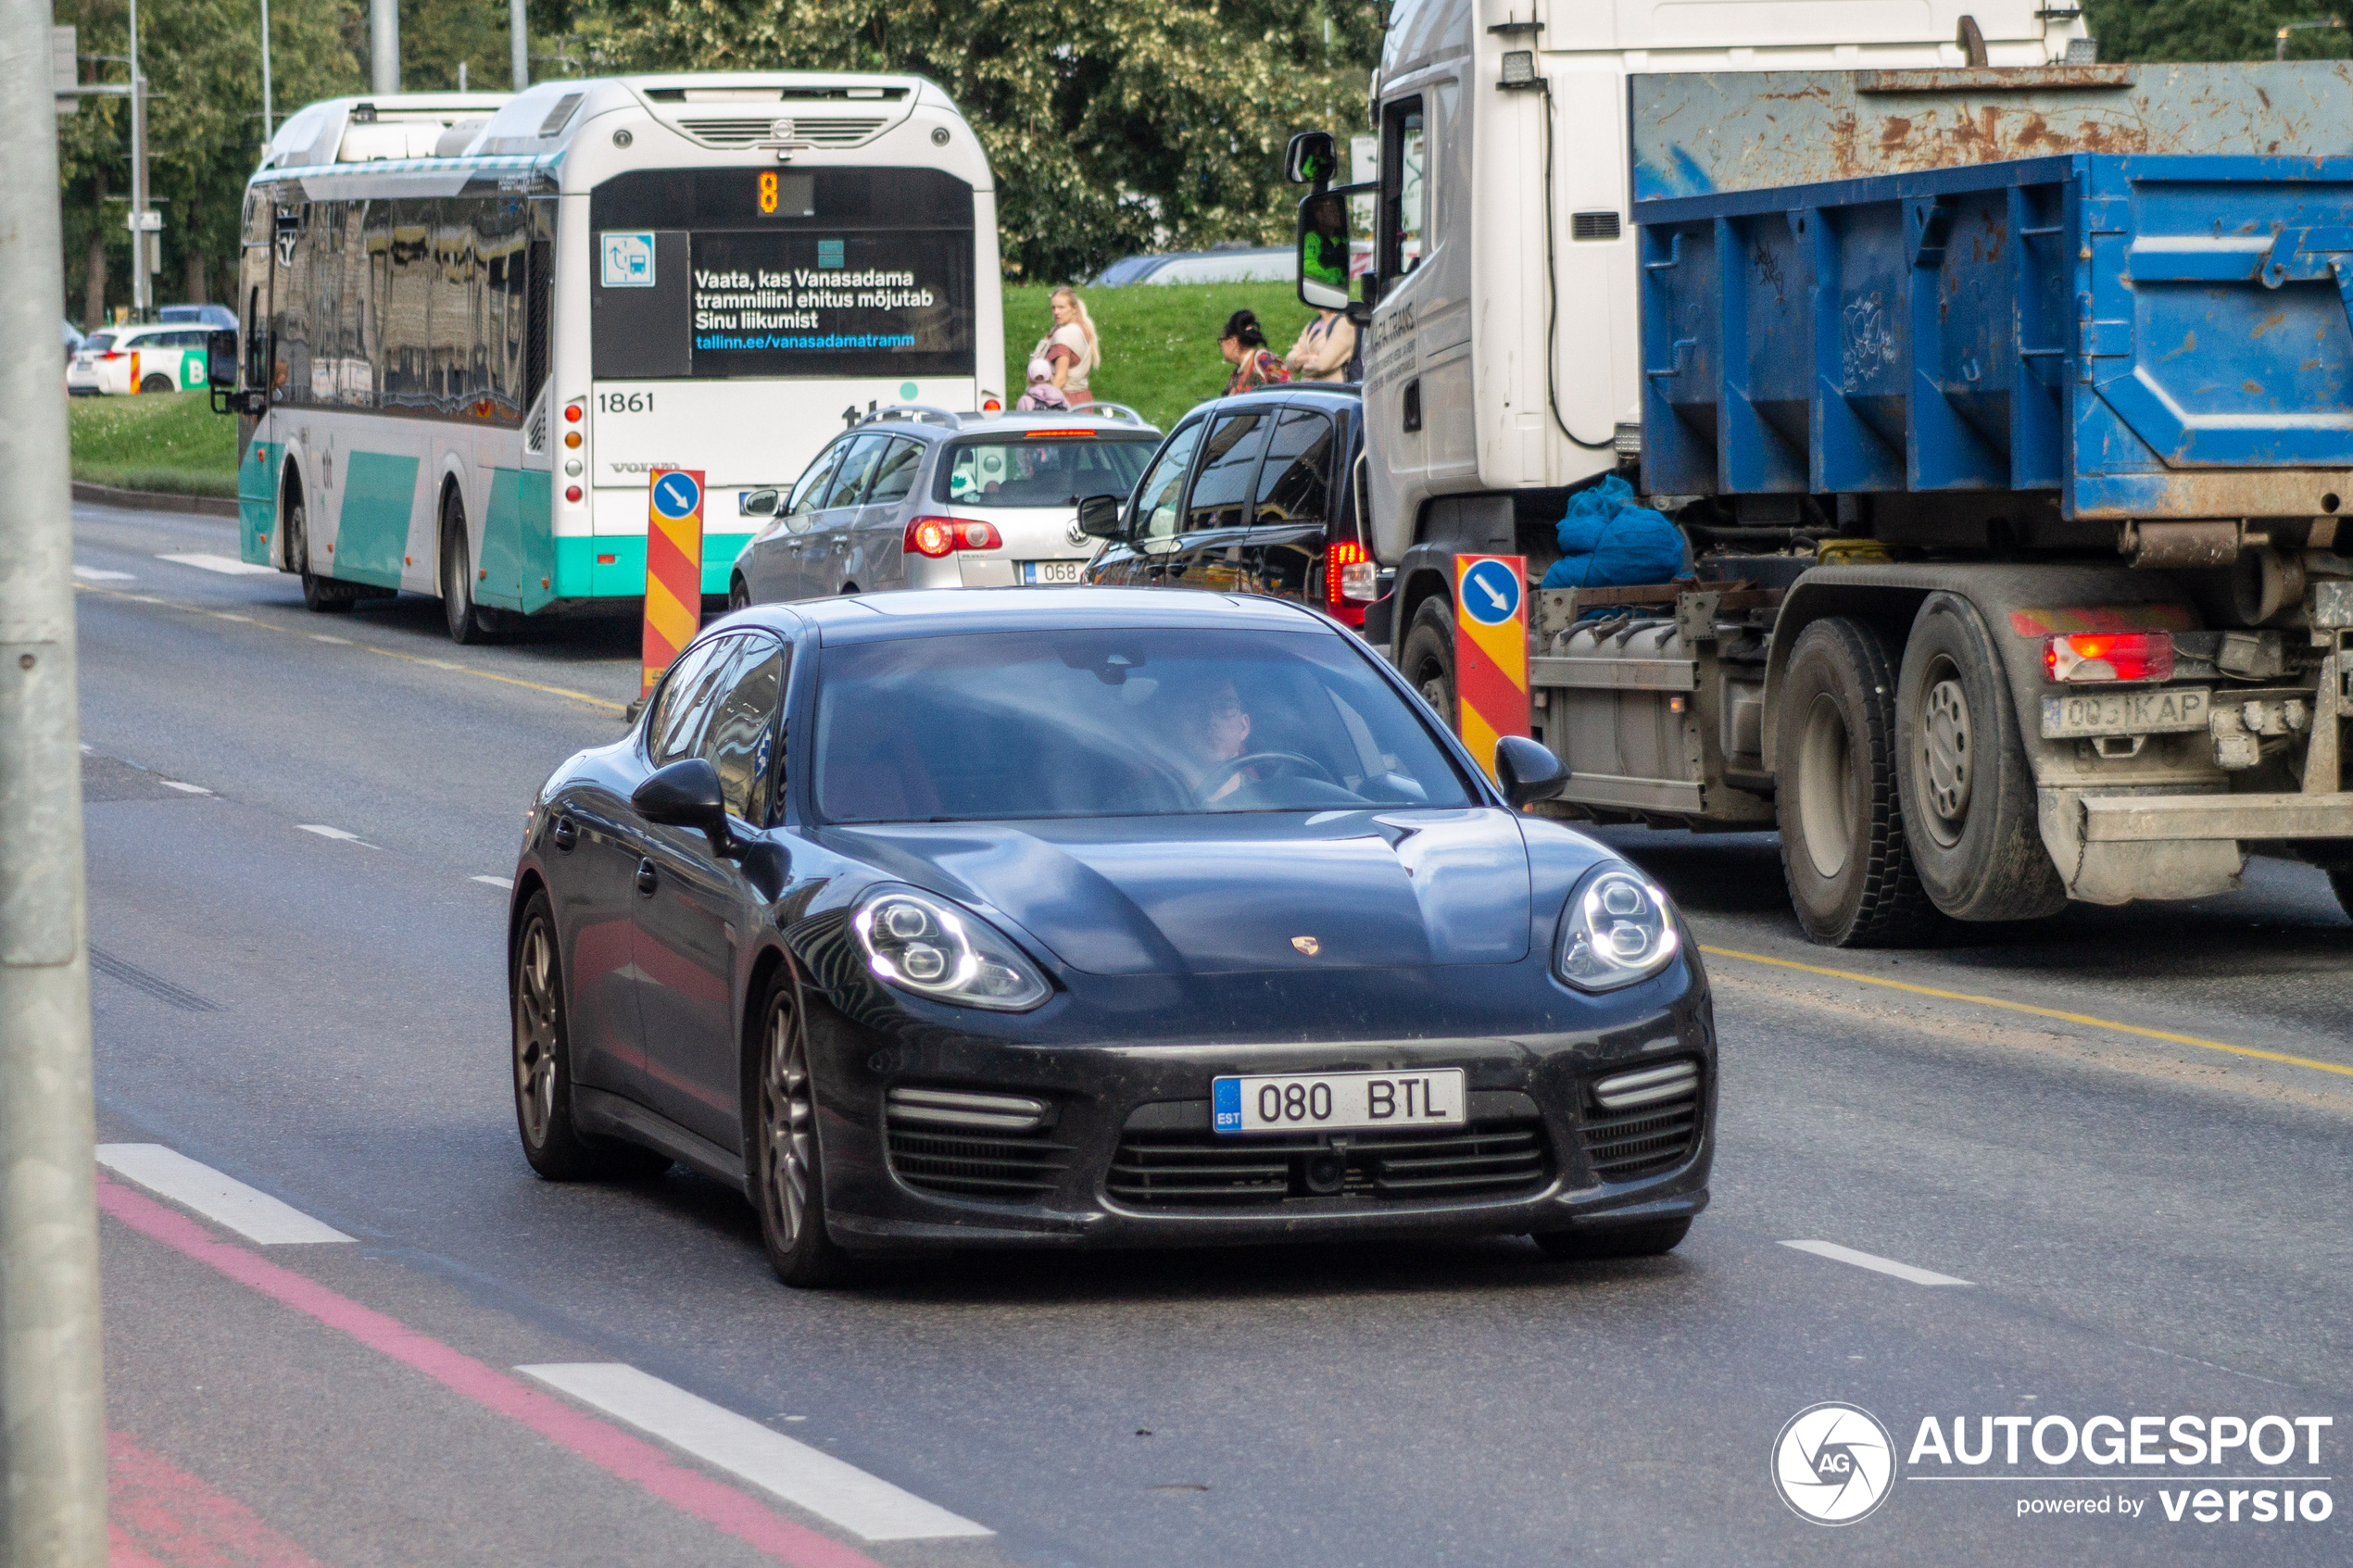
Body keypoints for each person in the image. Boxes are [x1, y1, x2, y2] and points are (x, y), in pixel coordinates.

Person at [1164, 673, 1254, 802]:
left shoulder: (1272, 799)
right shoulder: (1146, 802)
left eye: (1224, 706)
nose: (1211, 719)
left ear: (1244, 726)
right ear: (1177, 727)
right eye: (1195, 708)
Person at [1032, 287, 1099, 408]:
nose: (1056, 312)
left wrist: (1042, 404)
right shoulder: (1083, 327)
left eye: (1061, 307)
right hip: (1083, 399)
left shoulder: (1064, 335)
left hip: (1065, 401)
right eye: (1053, 307)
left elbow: (1060, 379)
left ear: (1074, 309)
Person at [1218, 309, 1291, 396]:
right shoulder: (1236, 375)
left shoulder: (1265, 361)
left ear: (1233, 341)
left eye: (1221, 340)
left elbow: (1288, 394)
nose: (1221, 346)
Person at [1284, 307, 1355, 383]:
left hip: (1330, 389)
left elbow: (1321, 365)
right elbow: (1289, 361)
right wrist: (1309, 358)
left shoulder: (1344, 323)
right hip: (1307, 388)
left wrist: (1299, 363)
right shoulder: (1313, 324)